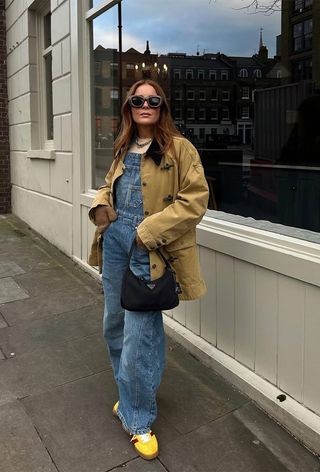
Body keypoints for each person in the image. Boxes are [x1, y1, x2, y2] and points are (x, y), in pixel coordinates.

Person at [88, 79, 209, 460]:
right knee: (114, 324)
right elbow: (109, 185)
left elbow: (195, 201)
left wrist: (147, 233)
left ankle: (138, 417)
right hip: (115, 241)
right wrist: (101, 205)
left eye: (152, 100)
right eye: (138, 99)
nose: (145, 104)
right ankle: (128, 397)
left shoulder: (180, 149)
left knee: (141, 334)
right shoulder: (124, 146)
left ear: (161, 106)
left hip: (149, 244)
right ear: (129, 107)